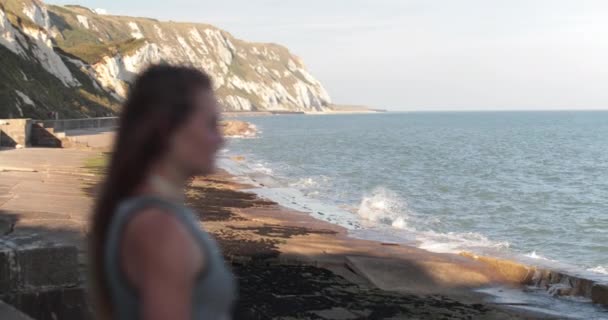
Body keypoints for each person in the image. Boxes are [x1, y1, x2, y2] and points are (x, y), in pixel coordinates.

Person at [89, 64, 236, 320]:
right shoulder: (159, 227)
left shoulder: (144, 212)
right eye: (211, 125)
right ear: (168, 129)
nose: (221, 140)